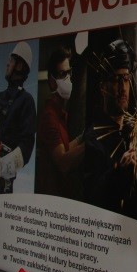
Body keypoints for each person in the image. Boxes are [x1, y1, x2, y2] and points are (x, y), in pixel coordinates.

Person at [83, 39, 137, 217]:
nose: (123, 88)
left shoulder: (134, 129)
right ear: (103, 87)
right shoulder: (94, 138)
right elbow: (94, 195)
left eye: (126, 79)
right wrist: (119, 171)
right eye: (117, 80)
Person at [35, 46, 85, 199]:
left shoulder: (61, 114)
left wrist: (82, 138)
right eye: (63, 74)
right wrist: (89, 144)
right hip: (50, 199)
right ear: (52, 82)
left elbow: (64, 147)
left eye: (69, 73)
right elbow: (63, 162)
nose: (68, 79)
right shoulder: (49, 117)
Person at [0, 41, 37, 195]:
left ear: (19, 66)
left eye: (11, 60)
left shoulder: (26, 101)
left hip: (2, 183)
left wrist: (1, 167)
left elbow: (27, 146)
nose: (7, 64)